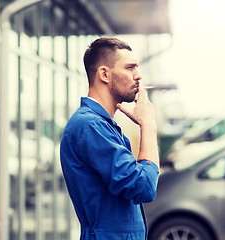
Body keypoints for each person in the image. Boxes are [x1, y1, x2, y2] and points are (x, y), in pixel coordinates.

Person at [60, 37, 160, 240]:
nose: (138, 76)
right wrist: (148, 125)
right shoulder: (90, 126)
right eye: (130, 68)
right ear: (105, 74)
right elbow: (144, 187)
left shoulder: (104, 127)